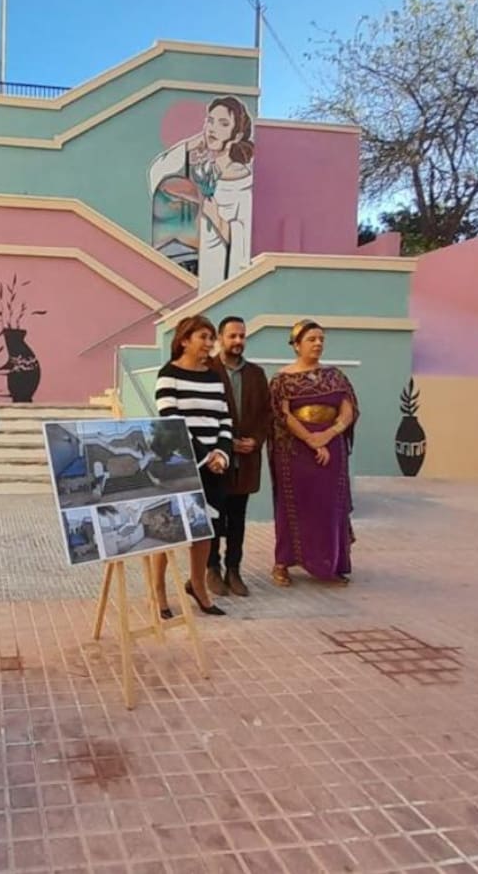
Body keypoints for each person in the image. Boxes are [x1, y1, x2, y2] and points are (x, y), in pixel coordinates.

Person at [150, 315, 234, 617]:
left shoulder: (214, 376)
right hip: (178, 464)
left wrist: (222, 454)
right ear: (184, 340)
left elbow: (225, 419)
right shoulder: (168, 374)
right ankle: (158, 593)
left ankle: (198, 586)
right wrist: (204, 456)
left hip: (214, 467)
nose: (210, 343)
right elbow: (172, 421)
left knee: (205, 530)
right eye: (203, 337)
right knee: (167, 530)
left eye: (212, 338)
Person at [268, 320, 359, 586]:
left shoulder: (335, 376)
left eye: (321, 339)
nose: (318, 343)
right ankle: (283, 563)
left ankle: (330, 563)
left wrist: (327, 436)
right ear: (296, 345)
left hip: (332, 449)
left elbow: (348, 409)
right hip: (294, 452)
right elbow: (282, 415)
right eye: (311, 339)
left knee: (330, 505)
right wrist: (311, 440)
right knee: (293, 505)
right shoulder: (282, 379)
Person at [148, 96, 255, 293]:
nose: (213, 129)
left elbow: (243, 243)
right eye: (210, 121)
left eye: (223, 124)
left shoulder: (242, 181)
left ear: (237, 135)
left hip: (218, 276)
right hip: (193, 271)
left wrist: (217, 218)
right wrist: (190, 145)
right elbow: (157, 173)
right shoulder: (202, 170)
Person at [206, 316, 271, 597]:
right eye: (232, 336)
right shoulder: (208, 370)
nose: (238, 341)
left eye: (242, 336)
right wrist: (227, 443)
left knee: (238, 518)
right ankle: (212, 569)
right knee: (214, 517)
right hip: (217, 457)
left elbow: (266, 414)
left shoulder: (256, 374)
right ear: (220, 338)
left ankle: (234, 569)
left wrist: (255, 440)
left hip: (246, 459)